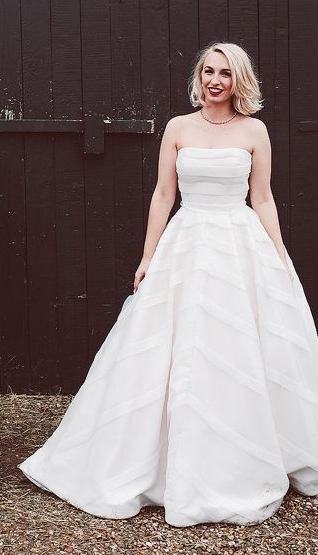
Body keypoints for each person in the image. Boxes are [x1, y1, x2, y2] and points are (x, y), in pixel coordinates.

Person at [19, 43, 318, 526]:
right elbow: (163, 195)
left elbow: (262, 199)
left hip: (240, 245)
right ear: (198, 76)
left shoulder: (254, 130)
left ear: (238, 80)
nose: (214, 80)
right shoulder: (178, 128)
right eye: (207, 71)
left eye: (224, 73)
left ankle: (243, 456)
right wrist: (147, 257)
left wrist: (279, 255)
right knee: (176, 346)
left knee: (240, 345)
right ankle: (155, 460)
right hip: (188, 242)